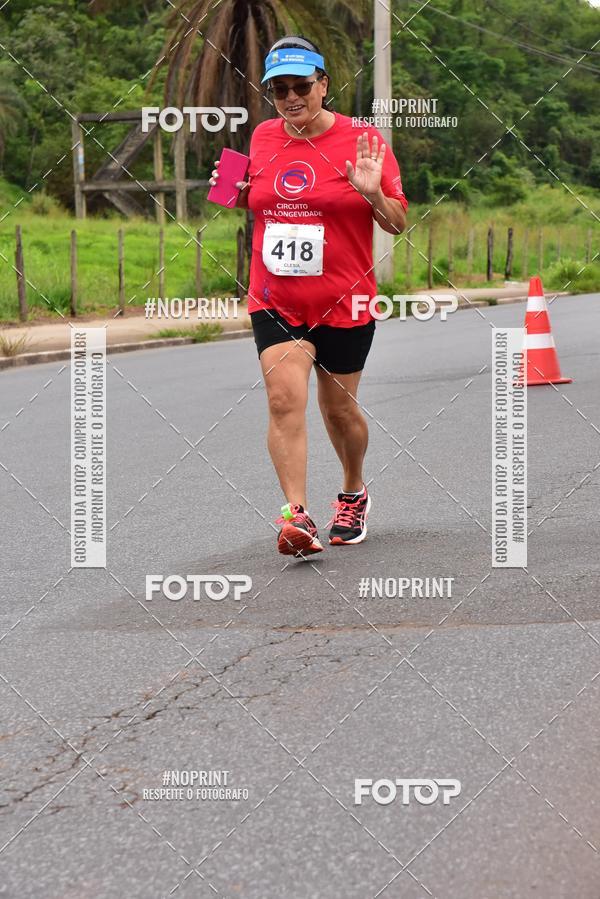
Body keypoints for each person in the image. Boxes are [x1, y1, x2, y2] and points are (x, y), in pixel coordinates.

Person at [209, 35, 408, 558]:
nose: (292, 98)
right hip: (275, 298)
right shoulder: (261, 137)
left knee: (339, 411)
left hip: (346, 299)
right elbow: (245, 195)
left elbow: (398, 223)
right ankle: (296, 516)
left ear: (324, 84)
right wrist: (230, 189)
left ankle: (352, 491)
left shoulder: (365, 141)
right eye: (280, 90)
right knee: (282, 400)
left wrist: (371, 192)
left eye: (302, 86)